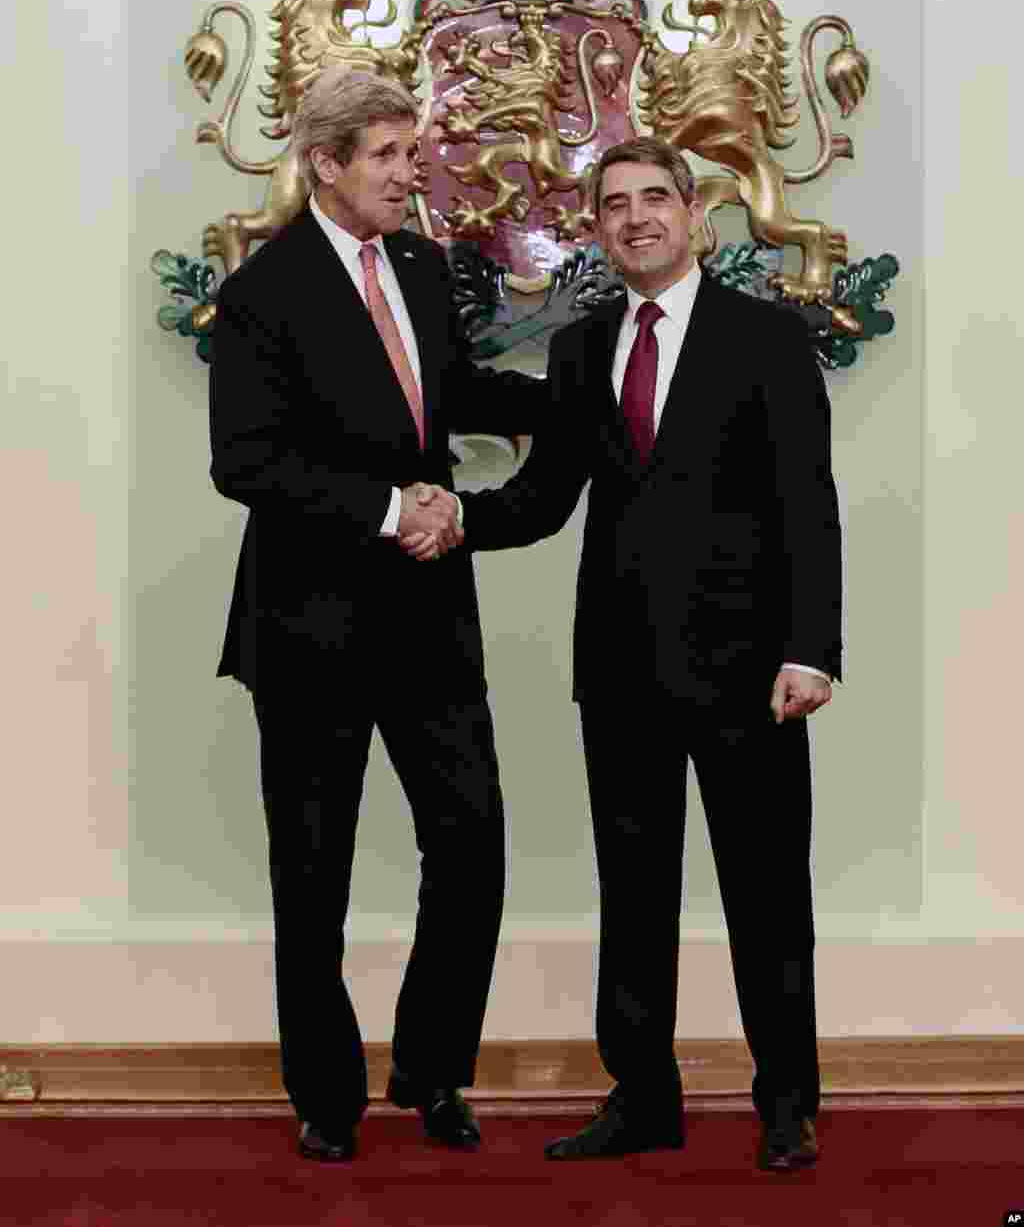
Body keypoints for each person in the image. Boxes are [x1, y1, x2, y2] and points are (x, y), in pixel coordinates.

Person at [428, 137, 842, 1170]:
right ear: (596, 226)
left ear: (693, 211)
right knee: (634, 890)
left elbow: (807, 507)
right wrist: (449, 519)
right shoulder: (579, 348)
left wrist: (811, 649)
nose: (635, 217)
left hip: (752, 670)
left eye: (654, 197)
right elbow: (539, 498)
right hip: (618, 669)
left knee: (766, 894)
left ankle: (786, 1098)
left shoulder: (767, 337)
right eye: (614, 203)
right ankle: (642, 1094)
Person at [209, 67, 545, 1162]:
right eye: (393, 154)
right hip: (308, 627)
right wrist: (385, 503)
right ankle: (326, 1095)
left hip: (429, 621)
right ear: (327, 163)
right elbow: (244, 459)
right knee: (313, 870)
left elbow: (451, 394)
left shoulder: (419, 260)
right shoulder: (264, 289)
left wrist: (582, 391)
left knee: (473, 840)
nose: (415, 171)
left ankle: (434, 1069)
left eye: (415, 149)